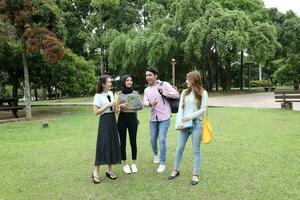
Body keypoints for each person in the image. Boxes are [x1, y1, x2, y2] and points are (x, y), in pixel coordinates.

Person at [168, 70, 208, 185]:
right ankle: (175, 169)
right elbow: (181, 108)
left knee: (196, 150)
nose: (186, 81)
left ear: (194, 80)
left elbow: (203, 109)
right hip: (184, 124)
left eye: (188, 79)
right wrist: (178, 124)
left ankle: (195, 174)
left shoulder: (203, 93)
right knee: (179, 148)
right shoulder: (185, 92)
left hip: (197, 124)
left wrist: (190, 117)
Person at [143, 67, 179, 173]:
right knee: (153, 139)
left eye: (150, 75)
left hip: (165, 116)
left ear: (155, 75)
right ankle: (156, 154)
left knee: (162, 139)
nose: (148, 77)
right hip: (153, 118)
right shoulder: (146, 90)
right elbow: (144, 102)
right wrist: (150, 104)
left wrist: (164, 92)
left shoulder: (164, 84)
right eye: (146, 75)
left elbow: (176, 94)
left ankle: (162, 163)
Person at [91, 75, 121, 184]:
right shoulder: (98, 96)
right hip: (104, 121)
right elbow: (96, 112)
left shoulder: (111, 94)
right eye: (109, 82)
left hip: (112, 120)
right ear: (103, 84)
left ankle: (109, 171)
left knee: (112, 144)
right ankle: (95, 172)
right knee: (102, 145)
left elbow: (115, 110)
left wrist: (118, 107)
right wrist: (109, 104)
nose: (111, 83)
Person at [115, 75, 143, 174]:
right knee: (122, 142)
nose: (129, 82)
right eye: (127, 80)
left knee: (133, 141)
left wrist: (131, 108)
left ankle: (134, 163)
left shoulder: (135, 93)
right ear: (123, 82)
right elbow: (115, 108)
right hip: (122, 118)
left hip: (132, 118)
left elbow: (141, 106)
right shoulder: (118, 94)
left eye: (131, 80)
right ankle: (125, 164)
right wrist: (120, 106)